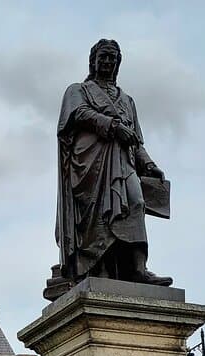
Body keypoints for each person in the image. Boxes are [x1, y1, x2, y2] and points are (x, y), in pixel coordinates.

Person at [49, 38, 172, 299]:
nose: (107, 62)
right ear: (93, 60)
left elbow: (136, 140)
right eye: (103, 56)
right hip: (90, 166)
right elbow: (78, 114)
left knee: (135, 203)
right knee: (99, 219)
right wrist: (112, 126)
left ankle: (138, 268)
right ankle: (98, 268)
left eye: (113, 58)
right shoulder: (78, 90)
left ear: (118, 64)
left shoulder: (127, 100)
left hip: (123, 163)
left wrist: (149, 164)